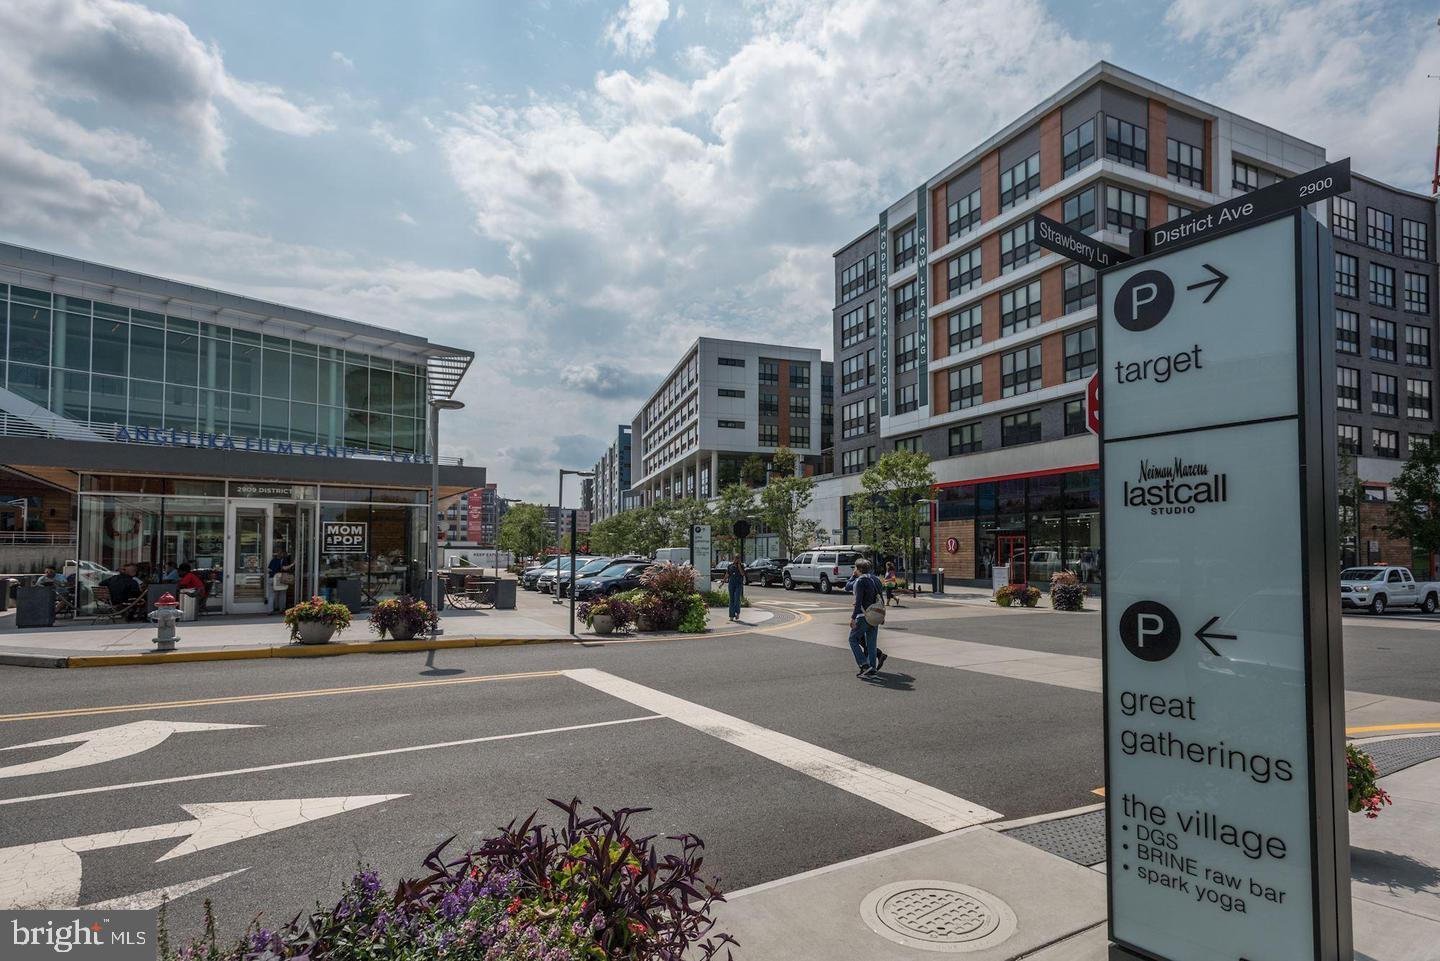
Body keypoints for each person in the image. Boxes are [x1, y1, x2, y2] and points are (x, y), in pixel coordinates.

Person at [847, 558, 888, 679]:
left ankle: (863, 664)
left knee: (853, 639)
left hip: (863, 616)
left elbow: (858, 601)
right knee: (871, 643)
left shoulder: (860, 581)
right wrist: (882, 614)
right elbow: (880, 597)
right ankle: (872, 669)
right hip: (875, 616)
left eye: (855, 568)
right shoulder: (873, 580)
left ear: (858, 569)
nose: (854, 570)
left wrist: (853, 618)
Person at [725, 553, 745, 622]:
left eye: (738, 558)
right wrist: (722, 583)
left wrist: (739, 566)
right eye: (736, 558)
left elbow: (742, 574)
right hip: (731, 584)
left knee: (737, 598)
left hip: (738, 584)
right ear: (734, 558)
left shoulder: (742, 566)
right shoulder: (730, 566)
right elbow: (727, 575)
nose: (737, 559)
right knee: (731, 599)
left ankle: (737, 613)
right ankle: (731, 615)